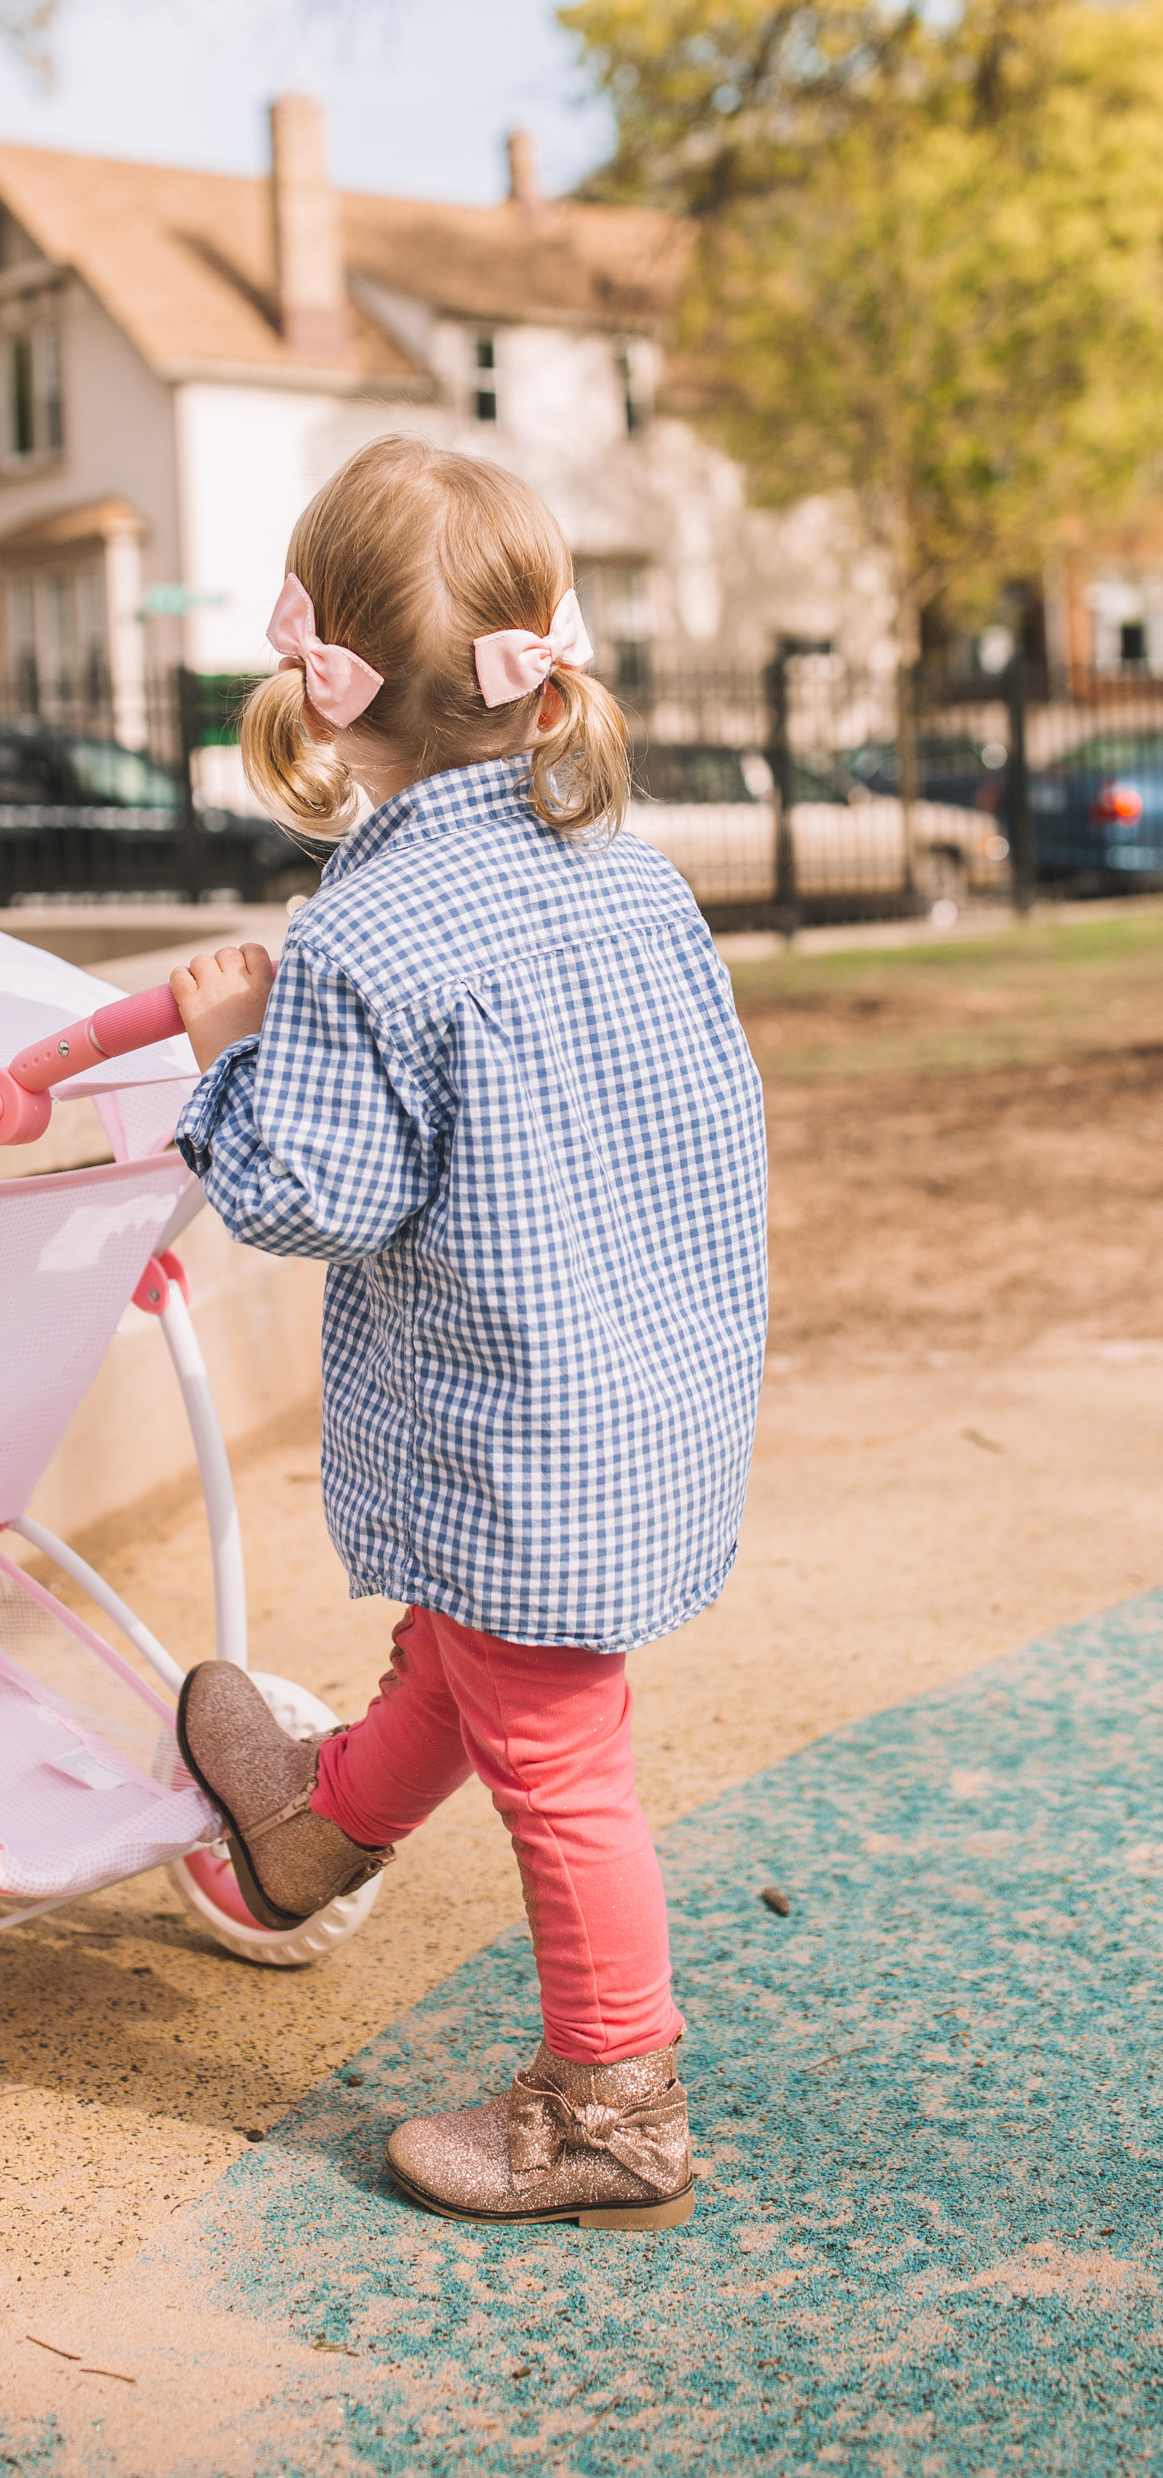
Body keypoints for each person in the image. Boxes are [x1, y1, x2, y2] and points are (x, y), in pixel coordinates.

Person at [167, 435, 767, 2229]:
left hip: (519, 1422)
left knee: (566, 1772)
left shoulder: (367, 934)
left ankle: (613, 2105)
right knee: (469, 1650)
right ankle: (318, 1828)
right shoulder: (634, 877)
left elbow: (310, 1196)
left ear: (331, 691)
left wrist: (230, 1068)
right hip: (640, 1385)